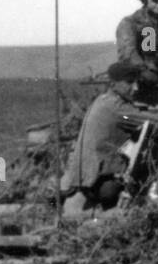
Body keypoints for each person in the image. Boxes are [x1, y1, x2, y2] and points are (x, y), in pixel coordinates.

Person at [59, 62, 148, 213]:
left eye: (137, 82)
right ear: (113, 84)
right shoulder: (117, 107)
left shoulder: (101, 100)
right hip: (97, 181)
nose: (135, 88)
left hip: (82, 177)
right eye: (129, 82)